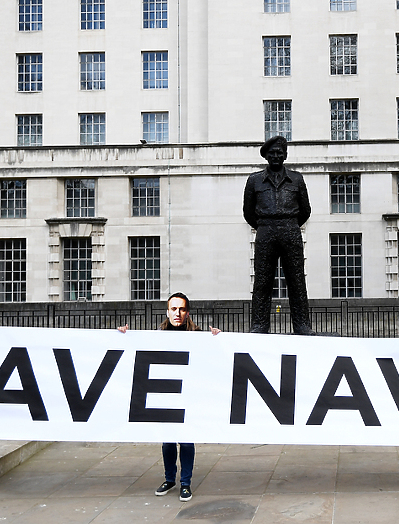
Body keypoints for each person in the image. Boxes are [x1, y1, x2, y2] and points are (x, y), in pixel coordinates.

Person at [118, 292, 219, 502]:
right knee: (168, 442)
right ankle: (169, 479)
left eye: (182, 309)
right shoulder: (158, 334)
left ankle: (185, 483)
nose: (178, 313)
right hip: (166, 395)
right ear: (167, 311)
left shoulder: (198, 335)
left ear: (187, 312)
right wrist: (124, 336)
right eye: (174, 309)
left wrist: (217, 336)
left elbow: (215, 357)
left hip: (188, 397)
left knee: (187, 442)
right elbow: (138, 351)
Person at [243, 136, 315, 335]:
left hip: (291, 229)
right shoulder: (254, 180)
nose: (276, 156)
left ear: (285, 155)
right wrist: (265, 225)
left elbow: (305, 210)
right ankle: (259, 325)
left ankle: (302, 325)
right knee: (262, 281)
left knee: (297, 280)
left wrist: (289, 224)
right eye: (272, 153)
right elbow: (248, 213)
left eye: (279, 152)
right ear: (266, 156)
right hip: (265, 230)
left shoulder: (297, 179)